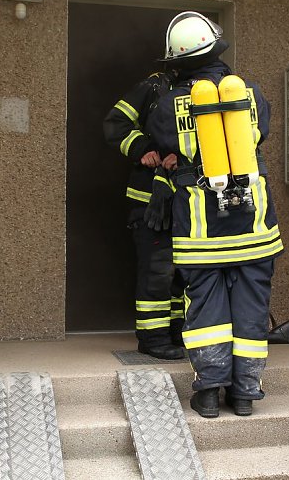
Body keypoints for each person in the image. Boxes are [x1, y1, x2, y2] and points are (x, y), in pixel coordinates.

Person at [145, 11, 283, 418]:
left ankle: (208, 393)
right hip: (254, 220)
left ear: (177, 60)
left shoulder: (171, 103)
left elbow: (163, 139)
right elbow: (264, 134)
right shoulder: (252, 94)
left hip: (201, 221)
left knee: (205, 305)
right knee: (252, 305)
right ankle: (244, 395)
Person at [103, 71, 185, 360]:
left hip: (191, 200)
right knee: (157, 269)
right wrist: (142, 149)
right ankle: (153, 338)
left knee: (183, 273)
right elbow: (115, 123)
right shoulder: (154, 85)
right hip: (149, 199)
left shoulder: (209, 88)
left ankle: (176, 331)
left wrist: (187, 157)